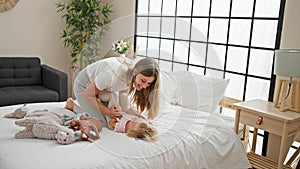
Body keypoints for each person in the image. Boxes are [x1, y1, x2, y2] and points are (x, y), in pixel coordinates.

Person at [72, 56, 160, 127]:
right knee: (102, 123)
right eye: (143, 81)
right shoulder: (111, 76)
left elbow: (123, 96)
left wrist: (137, 115)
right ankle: (72, 105)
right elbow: (87, 95)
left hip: (101, 90)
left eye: (148, 83)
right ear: (135, 72)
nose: (145, 86)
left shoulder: (130, 75)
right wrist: (107, 111)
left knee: (114, 116)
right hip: (84, 87)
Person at [65, 98, 158, 142]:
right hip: (116, 110)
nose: (134, 122)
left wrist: (114, 118)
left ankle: (73, 106)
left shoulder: (123, 127)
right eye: (136, 121)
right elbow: (132, 112)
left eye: (133, 125)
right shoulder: (140, 120)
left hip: (110, 117)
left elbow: (111, 125)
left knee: (94, 117)